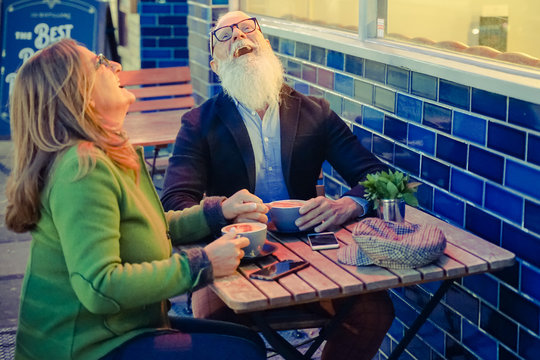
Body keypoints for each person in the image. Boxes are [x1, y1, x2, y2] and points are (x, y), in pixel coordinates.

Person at [4, 38, 269, 360]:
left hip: (121, 328)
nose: (116, 66)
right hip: (83, 347)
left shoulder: (107, 152)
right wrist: (202, 263)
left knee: (247, 340)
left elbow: (146, 226)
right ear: (78, 92)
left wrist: (217, 213)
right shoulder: (82, 168)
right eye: (101, 62)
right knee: (240, 352)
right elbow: (100, 286)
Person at [161, 11, 395, 360]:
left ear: (267, 46)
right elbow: (175, 203)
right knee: (214, 321)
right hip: (234, 254)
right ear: (215, 65)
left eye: (247, 28)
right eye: (224, 36)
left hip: (313, 254)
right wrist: (221, 210)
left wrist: (348, 204)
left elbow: (377, 179)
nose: (239, 37)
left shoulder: (316, 112)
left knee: (374, 311)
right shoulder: (198, 123)